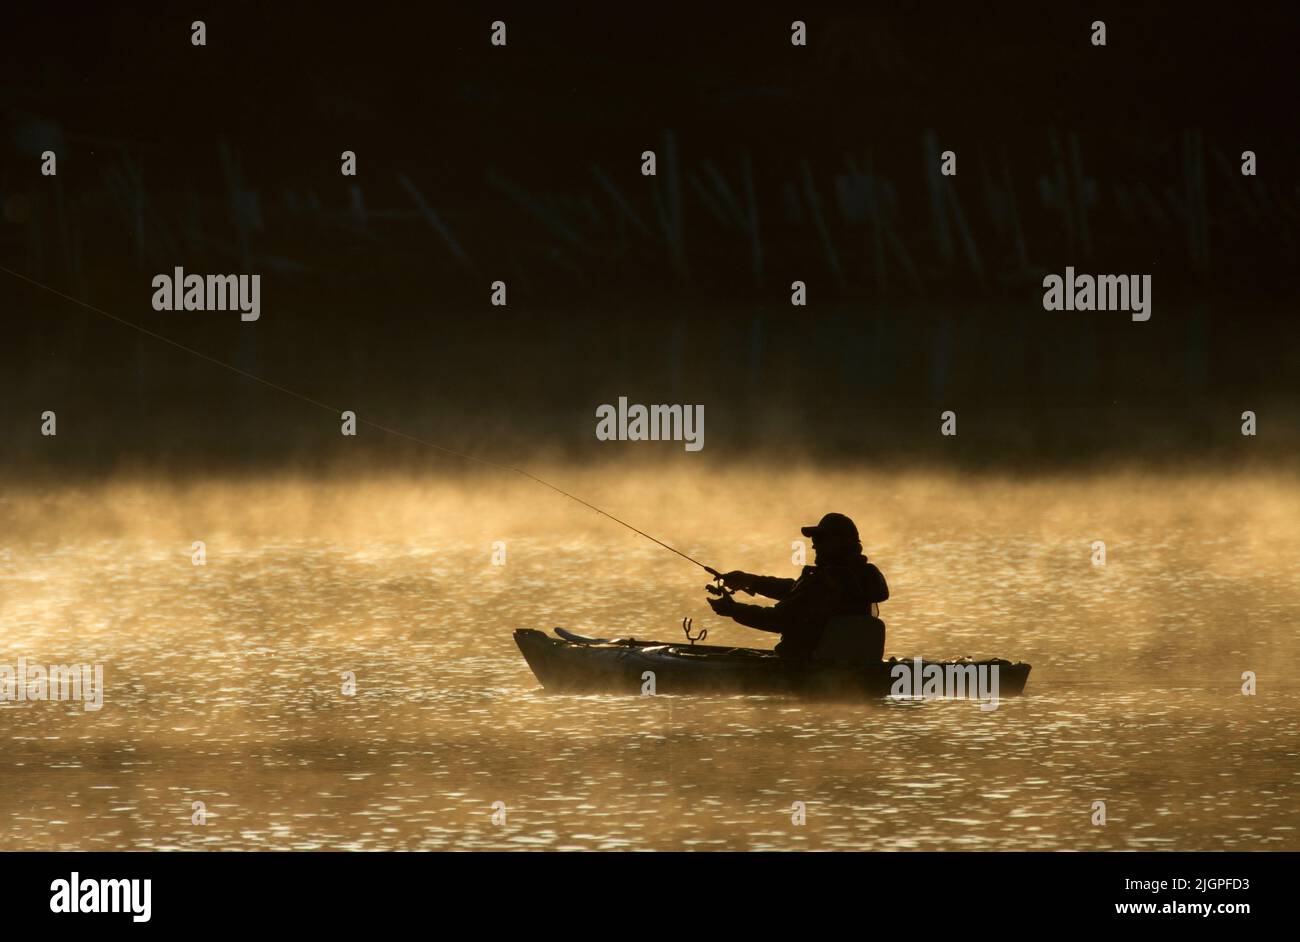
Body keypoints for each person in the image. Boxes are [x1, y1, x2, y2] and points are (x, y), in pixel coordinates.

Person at [706, 512, 889, 660]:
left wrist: (733, 610)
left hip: (804, 665)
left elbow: (778, 619)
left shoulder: (826, 580)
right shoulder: (864, 576)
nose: (813, 546)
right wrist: (752, 581)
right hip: (851, 665)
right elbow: (798, 591)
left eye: (819, 539)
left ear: (838, 543)